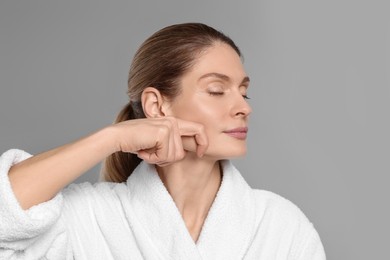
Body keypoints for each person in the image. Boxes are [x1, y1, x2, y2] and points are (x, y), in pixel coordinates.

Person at [0, 23, 326, 259]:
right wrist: (110, 138)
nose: (244, 107)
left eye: (244, 91)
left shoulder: (282, 226)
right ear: (158, 106)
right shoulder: (90, 218)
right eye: (216, 90)